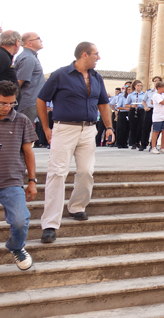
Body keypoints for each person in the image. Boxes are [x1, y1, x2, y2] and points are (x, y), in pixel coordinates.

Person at [37, 42, 113, 244]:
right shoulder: (60, 74)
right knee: (57, 172)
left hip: (89, 130)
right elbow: (41, 99)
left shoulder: (97, 77)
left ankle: (77, 206)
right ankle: (50, 223)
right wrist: (46, 128)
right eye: (96, 54)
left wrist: (109, 127)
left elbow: (103, 103)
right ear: (84, 54)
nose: (99, 58)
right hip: (64, 128)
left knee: (86, 171)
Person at [0, 81, 38, 270]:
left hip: (11, 180)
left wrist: (32, 181)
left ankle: (16, 247)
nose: (7, 107)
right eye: (2, 103)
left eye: (11, 103)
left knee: (20, 221)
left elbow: (29, 153)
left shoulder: (21, 120)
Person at [13, 32, 44, 122]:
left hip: (30, 102)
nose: (41, 40)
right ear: (29, 43)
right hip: (27, 103)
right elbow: (19, 82)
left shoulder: (30, 57)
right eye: (38, 38)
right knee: (22, 132)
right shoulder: (28, 58)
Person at [148, 81, 164, 154]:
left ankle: (162, 147)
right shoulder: (156, 95)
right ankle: (153, 147)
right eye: (163, 88)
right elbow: (163, 103)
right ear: (159, 88)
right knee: (156, 131)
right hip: (158, 116)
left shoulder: (162, 95)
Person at [126, 80, 147, 150]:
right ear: (134, 86)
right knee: (133, 127)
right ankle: (133, 142)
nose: (139, 87)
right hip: (133, 111)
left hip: (141, 110)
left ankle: (138, 141)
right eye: (138, 85)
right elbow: (126, 104)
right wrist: (132, 106)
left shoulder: (144, 94)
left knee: (140, 127)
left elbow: (146, 102)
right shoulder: (131, 95)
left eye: (140, 85)